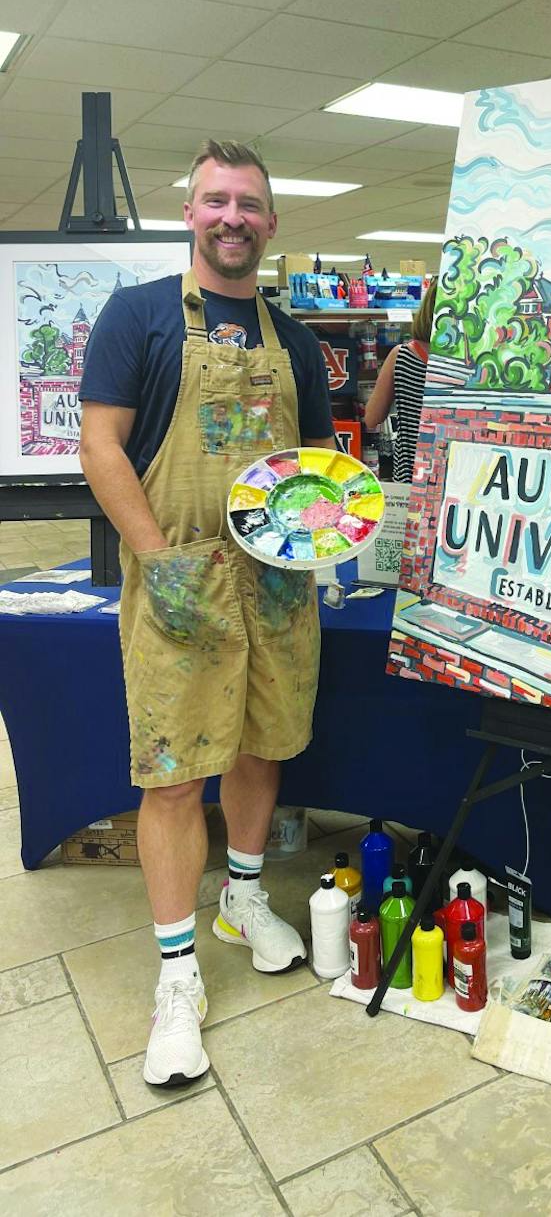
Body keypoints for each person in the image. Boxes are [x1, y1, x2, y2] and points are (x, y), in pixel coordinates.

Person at [79, 140, 336, 1088]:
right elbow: (100, 445)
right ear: (190, 213)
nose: (233, 217)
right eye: (216, 201)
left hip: (275, 585)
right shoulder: (140, 315)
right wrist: (160, 559)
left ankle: (243, 895)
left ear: (271, 223)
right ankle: (177, 973)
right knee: (177, 775)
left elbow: (316, 462)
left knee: (262, 748)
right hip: (179, 579)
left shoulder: (295, 341)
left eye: (250, 204)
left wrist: (330, 525)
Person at [364, 277, 436, 481]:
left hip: (411, 474)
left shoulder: (401, 356)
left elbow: (372, 418)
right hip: (461, 474)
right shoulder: (477, 362)